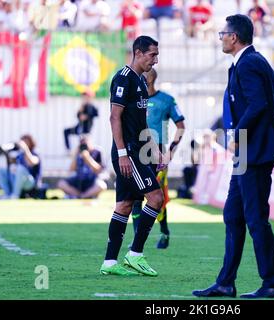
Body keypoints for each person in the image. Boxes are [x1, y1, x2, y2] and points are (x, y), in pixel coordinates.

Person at [192, 14, 274, 299]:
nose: (220, 37)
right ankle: (225, 283)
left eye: (222, 34)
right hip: (250, 151)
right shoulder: (249, 62)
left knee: (256, 218)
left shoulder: (248, 64)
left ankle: (273, 283)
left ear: (234, 37)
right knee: (233, 214)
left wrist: (237, 135)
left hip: (254, 152)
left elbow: (260, 104)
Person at [100, 35, 164, 277]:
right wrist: (123, 153)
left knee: (125, 205)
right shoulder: (123, 78)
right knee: (156, 197)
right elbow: (114, 117)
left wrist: (155, 149)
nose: (155, 60)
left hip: (138, 151)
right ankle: (135, 254)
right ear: (138, 52)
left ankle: (109, 262)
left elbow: (141, 121)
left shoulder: (141, 80)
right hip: (128, 153)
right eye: (152, 55)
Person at [131, 68, 185, 249]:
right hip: (138, 151)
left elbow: (181, 126)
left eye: (143, 78)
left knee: (157, 196)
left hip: (158, 153)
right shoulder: (135, 99)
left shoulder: (166, 100)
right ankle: (138, 239)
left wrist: (170, 152)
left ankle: (164, 232)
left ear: (150, 80)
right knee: (136, 196)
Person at [0, 134, 41, 199]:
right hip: (17, 181)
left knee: (20, 169)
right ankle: (7, 194)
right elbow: (12, 165)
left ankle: (15, 195)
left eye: (26, 141)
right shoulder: (19, 155)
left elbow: (32, 162)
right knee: (0, 170)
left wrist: (25, 149)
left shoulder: (35, 154)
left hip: (30, 183)